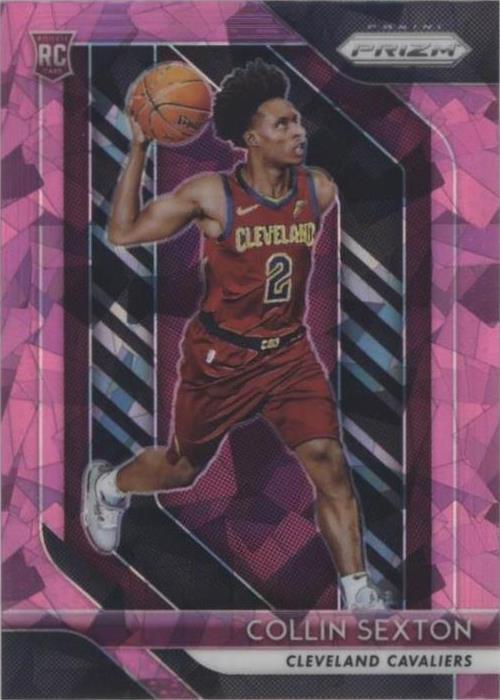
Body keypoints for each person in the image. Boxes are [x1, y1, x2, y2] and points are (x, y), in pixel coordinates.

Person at [82, 58, 384, 610]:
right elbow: (123, 232)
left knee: (329, 462)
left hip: (290, 356)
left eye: (298, 121)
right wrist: (140, 147)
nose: (298, 132)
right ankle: (109, 485)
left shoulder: (319, 189)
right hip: (221, 358)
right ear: (250, 139)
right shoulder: (212, 195)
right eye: (282, 124)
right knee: (181, 470)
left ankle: (358, 593)